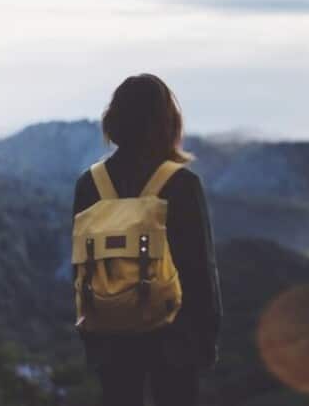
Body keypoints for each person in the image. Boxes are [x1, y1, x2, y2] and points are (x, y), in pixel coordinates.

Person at [72, 73, 222, 406]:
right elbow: (200, 268)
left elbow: (80, 265)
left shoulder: (89, 184)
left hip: (109, 334)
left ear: (114, 120)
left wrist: (90, 332)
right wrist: (206, 340)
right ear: (168, 122)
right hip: (174, 337)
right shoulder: (181, 183)